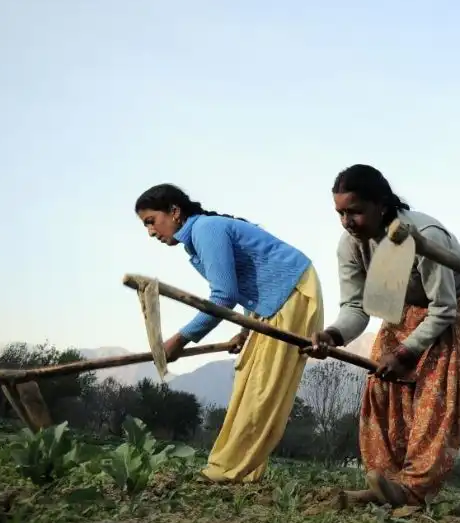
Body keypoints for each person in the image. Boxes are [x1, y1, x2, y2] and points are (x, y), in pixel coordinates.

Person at [309, 164, 460, 508]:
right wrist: (333, 335)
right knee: (382, 384)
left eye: (355, 212)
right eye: (340, 213)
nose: (347, 221)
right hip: (405, 307)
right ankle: (387, 483)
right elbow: (356, 306)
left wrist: (408, 352)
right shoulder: (351, 246)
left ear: (381, 205)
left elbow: (444, 308)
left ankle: (413, 490)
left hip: (455, 307)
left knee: (436, 397)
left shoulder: (425, 235)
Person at [135, 183, 324, 483]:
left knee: (262, 387)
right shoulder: (199, 236)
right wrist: (245, 330)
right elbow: (252, 281)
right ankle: (241, 469)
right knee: (248, 378)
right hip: (272, 301)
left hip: (292, 292)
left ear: (174, 211)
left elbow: (224, 296)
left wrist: (181, 339)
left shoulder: (206, 230)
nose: (150, 232)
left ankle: (226, 470)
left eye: (151, 221)